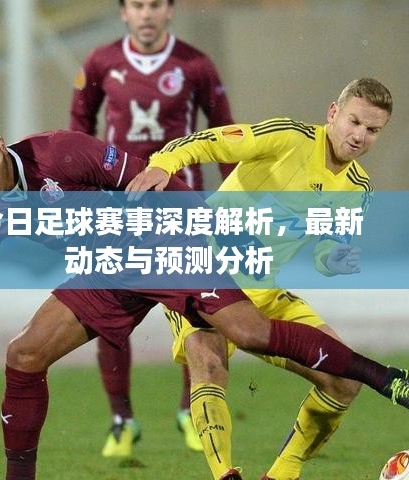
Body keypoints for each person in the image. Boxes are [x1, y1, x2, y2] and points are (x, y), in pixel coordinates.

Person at [0, 116, 409, 480]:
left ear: (1, 146)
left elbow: (155, 179)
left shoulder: (59, 153)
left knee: (247, 333)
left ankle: (382, 376)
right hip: (106, 269)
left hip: (161, 241)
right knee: (24, 355)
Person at [126, 78, 399, 480]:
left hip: (263, 291)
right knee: (209, 363)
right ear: (333, 113)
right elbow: (209, 142)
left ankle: (282, 474)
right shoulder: (287, 137)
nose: (359, 136)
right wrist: (163, 164)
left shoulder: (357, 189)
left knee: (344, 380)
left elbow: (327, 248)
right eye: (354, 122)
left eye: (372, 130)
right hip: (201, 271)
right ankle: (224, 474)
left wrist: (333, 260)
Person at [69, 0, 235, 456]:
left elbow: (225, 132)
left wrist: (235, 200)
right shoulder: (101, 62)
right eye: (137, 5)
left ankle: (190, 409)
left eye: (155, 5)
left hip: (183, 206)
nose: (146, 14)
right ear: (124, 12)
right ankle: (122, 421)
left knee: (198, 310)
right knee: (107, 311)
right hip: (120, 207)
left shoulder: (195, 64)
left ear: (170, 10)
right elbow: (79, 128)